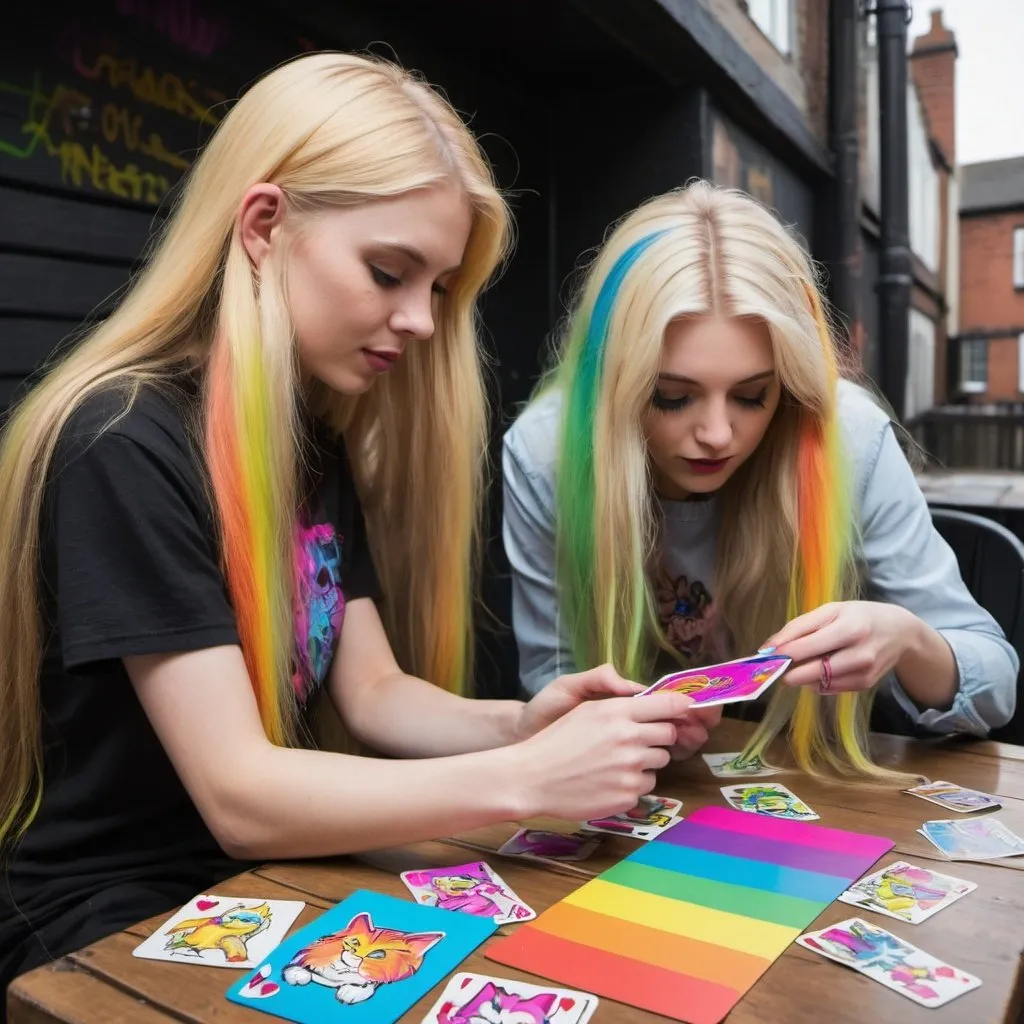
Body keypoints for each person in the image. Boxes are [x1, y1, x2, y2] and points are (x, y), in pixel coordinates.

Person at [0, 53, 695, 1002]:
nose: (418, 321)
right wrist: (527, 778)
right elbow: (241, 794)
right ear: (263, 226)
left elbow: (372, 693)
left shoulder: (312, 446)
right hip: (101, 917)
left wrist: (527, 721)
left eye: (440, 287)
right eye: (388, 271)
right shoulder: (121, 439)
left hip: (258, 884)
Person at [502, 181, 1018, 780]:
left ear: (790, 385)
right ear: (612, 386)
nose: (717, 433)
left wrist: (907, 639)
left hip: (822, 787)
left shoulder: (846, 436)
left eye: (752, 395)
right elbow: (552, 691)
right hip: (642, 798)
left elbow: (994, 688)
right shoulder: (547, 452)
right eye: (671, 397)